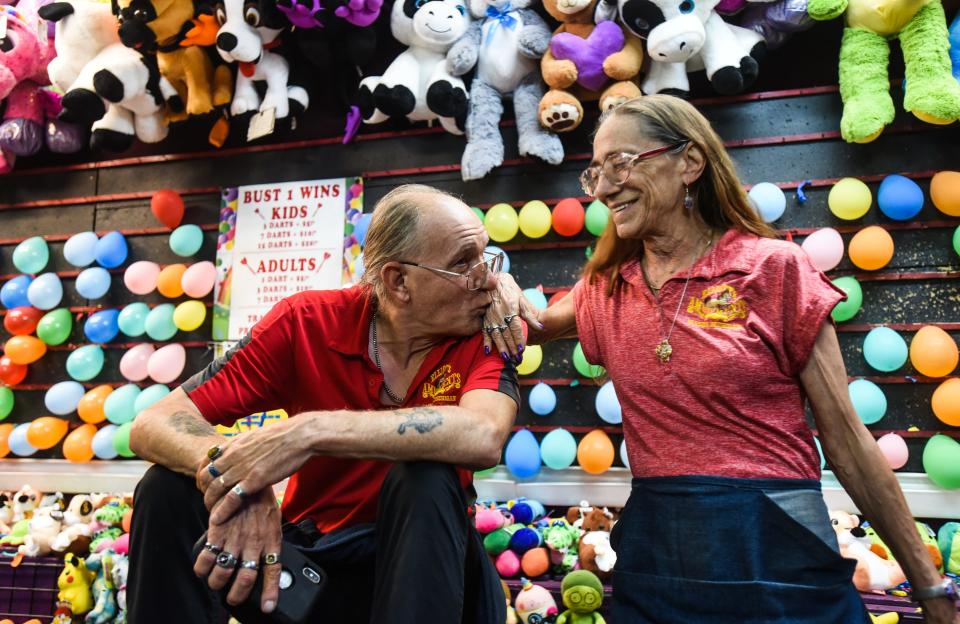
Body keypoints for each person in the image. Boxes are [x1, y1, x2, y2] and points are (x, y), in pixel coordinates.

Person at [486, 95, 960, 623]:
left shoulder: (774, 269)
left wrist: (931, 588)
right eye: (594, 172)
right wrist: (497, 281)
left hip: (776, 544)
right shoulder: (607, 288)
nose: (601, 188)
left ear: (689, 162)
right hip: (659, 550)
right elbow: (525, 327)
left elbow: (848, 442)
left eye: (620, 163)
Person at [127, 184, 520, 624]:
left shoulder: (487, 328)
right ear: (399, 281)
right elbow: (153, 423)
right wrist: (242, 481)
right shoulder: (306, 322)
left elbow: (483, 435)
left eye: (487, 257)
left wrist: (307, 433)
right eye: (464, 263)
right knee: (166, 488)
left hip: (434, 576)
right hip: (314, 573)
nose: (489, 278)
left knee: (425, 475)